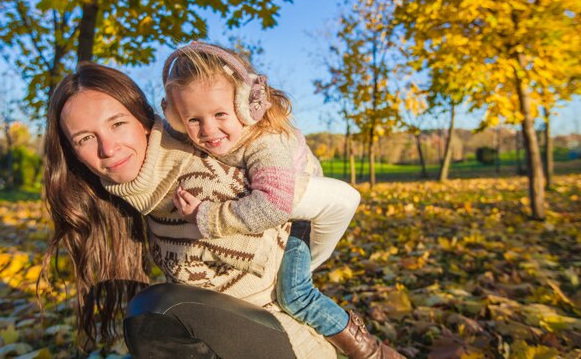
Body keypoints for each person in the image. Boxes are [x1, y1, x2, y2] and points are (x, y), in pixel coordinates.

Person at [38, 62, 336, 359]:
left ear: (143, 120)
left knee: (155, 310)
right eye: (85, 138)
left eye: (117, 124)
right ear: (72, 153)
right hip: (228, 335)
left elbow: (338, 202)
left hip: (290, 344)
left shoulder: (203, 183)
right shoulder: (145, 194)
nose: (108, 148)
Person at [161, 41, 406, 359]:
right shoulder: (203, 128)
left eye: (220, 113)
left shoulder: (266, 144)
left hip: (296, 215)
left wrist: (208, 216)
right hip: (265, 210)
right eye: (192, 120)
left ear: (246, 103)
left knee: (294, 294)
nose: (208, 130)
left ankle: (374, 353)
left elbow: (273, 205)